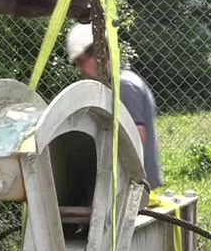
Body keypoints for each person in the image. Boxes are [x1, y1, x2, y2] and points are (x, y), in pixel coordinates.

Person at [64, 22, 164, 188]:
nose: (80, 69)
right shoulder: (118, 83)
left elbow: (137, 138)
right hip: (128, 185)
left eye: (81, 62)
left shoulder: (124, 86)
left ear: (98, 53)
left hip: (134, 187)